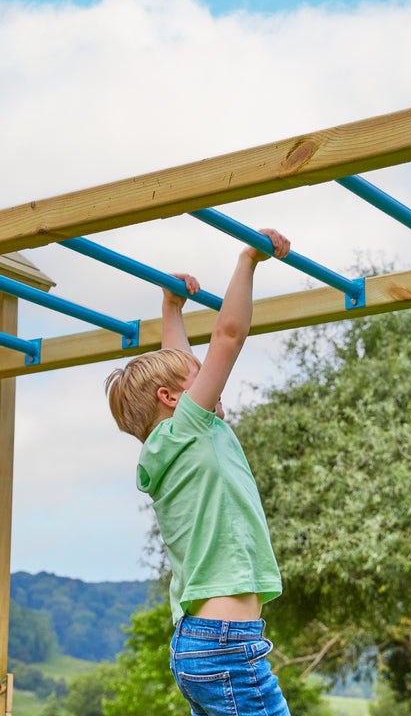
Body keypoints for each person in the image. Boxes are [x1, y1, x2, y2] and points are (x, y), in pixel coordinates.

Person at [105, 228, 292, 716]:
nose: (208, 381)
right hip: (227, 645)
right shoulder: (190, 428)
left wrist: (171, 310)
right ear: (174, 400)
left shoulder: (165, 447)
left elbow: (178, 367)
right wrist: (248, 258)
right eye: (197, 379)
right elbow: (228, 336)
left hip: (199, 645)